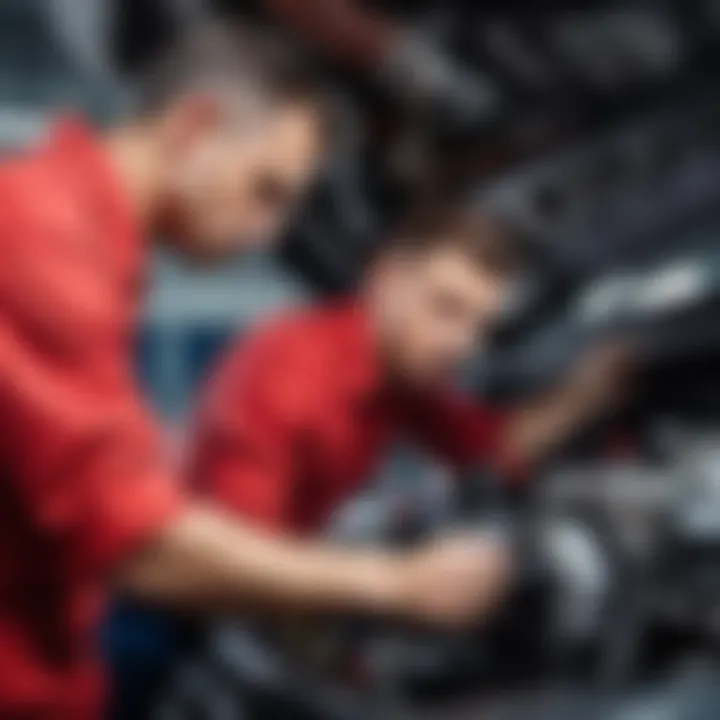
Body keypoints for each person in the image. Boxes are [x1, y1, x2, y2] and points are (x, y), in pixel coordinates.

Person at [0, 23, 518, 720]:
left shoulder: (90, 246)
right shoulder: (42, 242)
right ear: (193, 128)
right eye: (265, 190)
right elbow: (135, 543)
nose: (269, 234)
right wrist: (393, 583)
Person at [189, 203, 631, 581]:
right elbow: (230, 560)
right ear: (387, 278)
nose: (462, 343)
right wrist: (399, 587)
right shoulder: (291, 374)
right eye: (446, 307)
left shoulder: (401, 377)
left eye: (478, 325)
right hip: (179, 621)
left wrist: (587, 392)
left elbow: (486, 446)